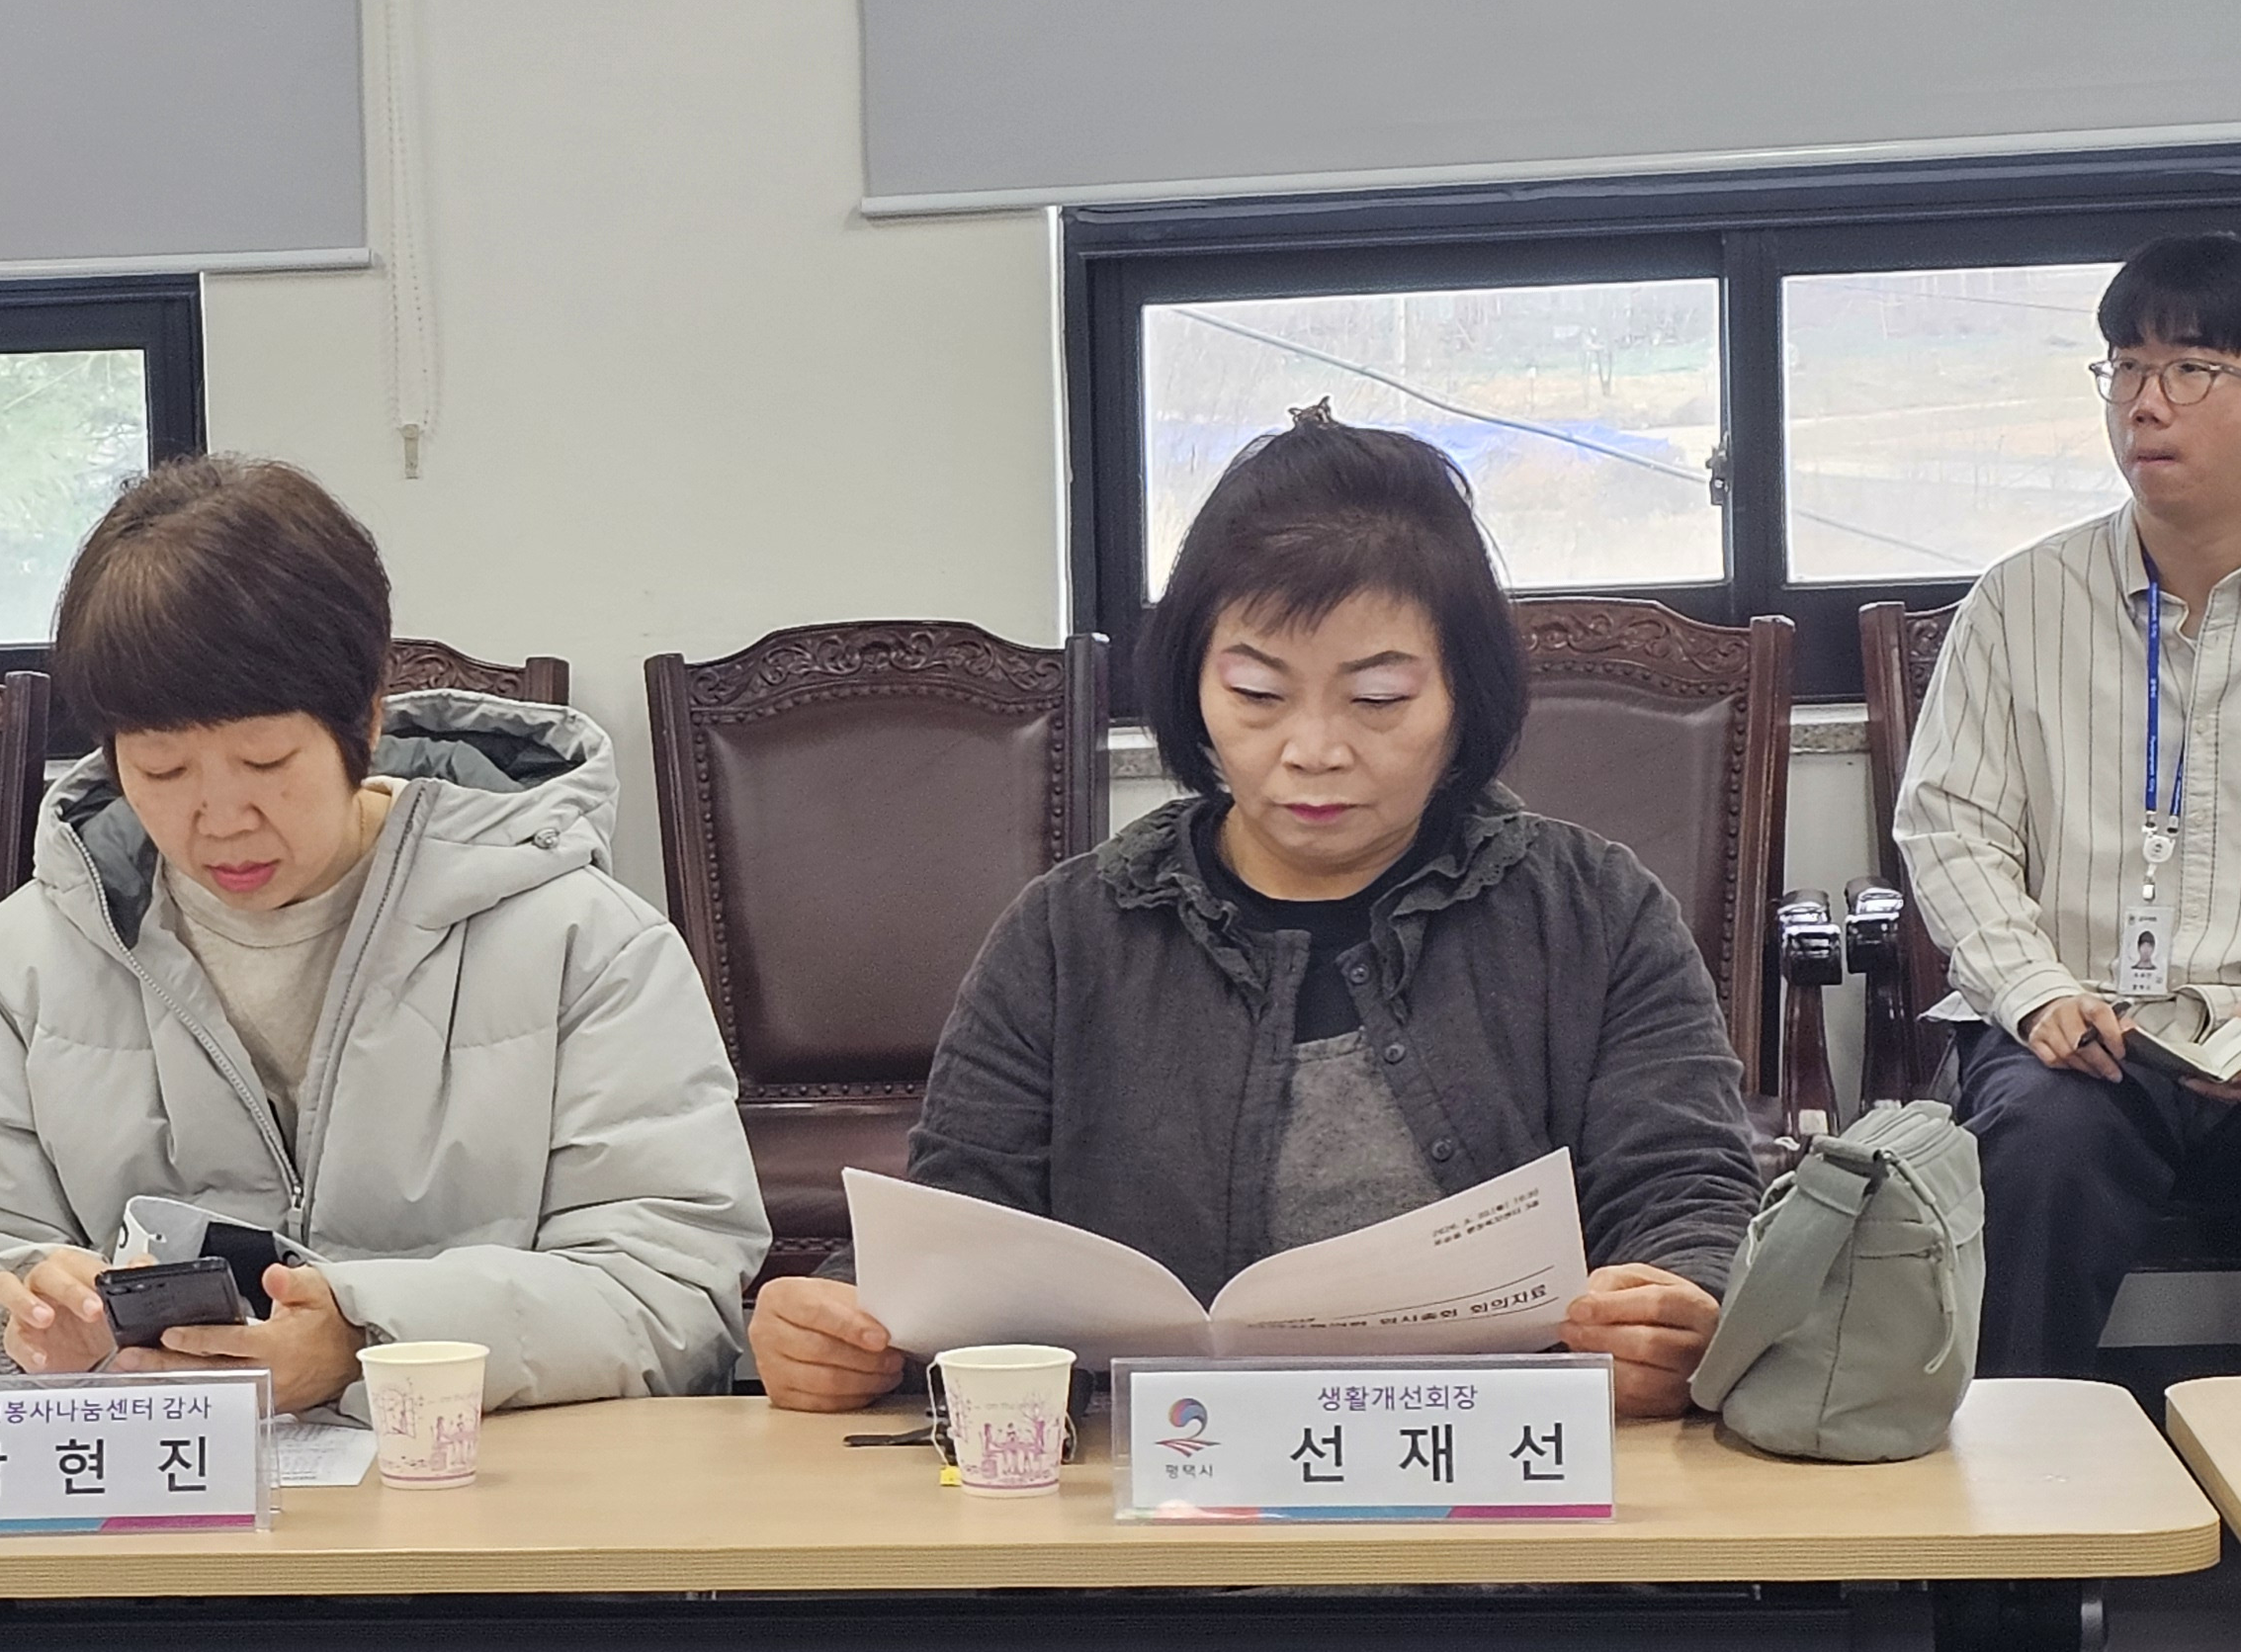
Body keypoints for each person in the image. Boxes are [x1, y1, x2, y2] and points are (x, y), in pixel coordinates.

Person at [751, 414, 1755, 1421]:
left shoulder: (1593, 913)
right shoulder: (1068, 936)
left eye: (1377, 698)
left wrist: (1677, 1306)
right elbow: (957, 1219)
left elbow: (1687, 1192)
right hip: (1155, 1487)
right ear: (1194, 688)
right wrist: (846, 1320)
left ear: (1464, 698)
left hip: (1506, 1478)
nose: (1313, 749)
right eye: (1258, 693)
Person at [0, 452, 767, 1419]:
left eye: (265, 762)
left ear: (363, 722)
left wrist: (367, 1341)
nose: (220, 821)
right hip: (156, 1503)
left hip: (478, 1496)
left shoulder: (584, 942)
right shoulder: (22, 965)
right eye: (161, 771)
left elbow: (672, 1292)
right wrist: (17, 1333)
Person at [1894, 232, 2241, 1381]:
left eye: (2188, 368)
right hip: (2079, 1034)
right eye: (2123, 367)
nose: (2145, 403)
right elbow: (1948, 824)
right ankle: (2017, 1488)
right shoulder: (2019, 599)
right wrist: (2033, 989)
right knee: (2041, 1147)